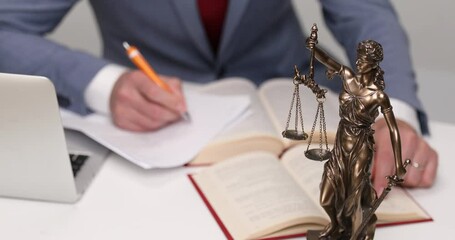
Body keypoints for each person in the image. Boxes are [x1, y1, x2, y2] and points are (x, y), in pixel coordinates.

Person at [0, 0, 437, 192]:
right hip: (150, 127)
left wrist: (391, 111)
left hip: (292, 105)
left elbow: (366, 13)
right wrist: (103, 83)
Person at [307, 31, 406, 238]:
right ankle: (335, 224)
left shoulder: (378, 96)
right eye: (358, 57)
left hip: (361, 147)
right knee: (326, 196)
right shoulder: (347, 77)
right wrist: (314, 48)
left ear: (374, 63)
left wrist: (398, 165)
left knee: (355, 196)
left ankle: (360, 232)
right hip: (341, 146)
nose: (359, 62)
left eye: (364, 59)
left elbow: (393, 129)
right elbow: (327, 60)